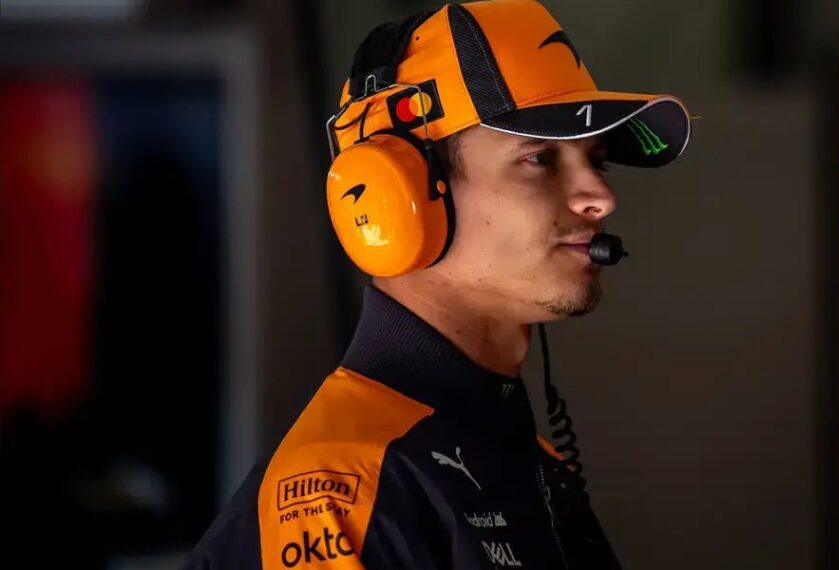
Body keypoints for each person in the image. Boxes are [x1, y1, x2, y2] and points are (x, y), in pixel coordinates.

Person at [183, 1, 691, 568]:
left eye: (598, 162)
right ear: (398, 191)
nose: (600, 197)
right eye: (540, 158)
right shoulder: (341, 489)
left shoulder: (529, 464)